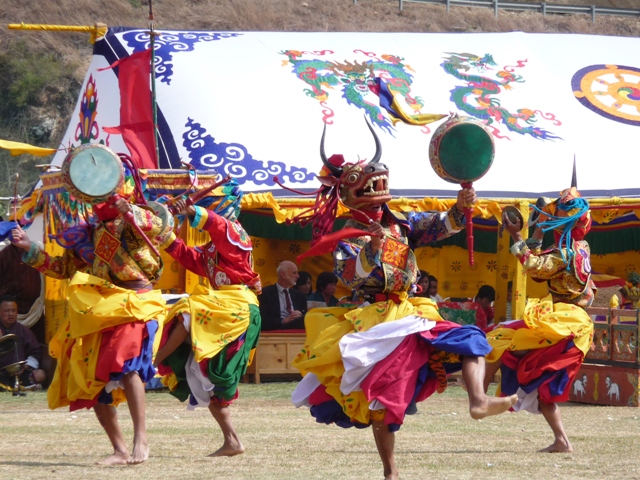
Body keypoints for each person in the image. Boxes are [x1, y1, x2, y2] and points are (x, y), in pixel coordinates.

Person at [289, 124, 516, 480]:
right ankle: (390, 471)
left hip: (411, 309)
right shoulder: (345, 237)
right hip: (373, 319)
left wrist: (460, 207)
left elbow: (442, 225)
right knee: (383, 402)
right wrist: (370, 250)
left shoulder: (403, 225)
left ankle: (478, 400)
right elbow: (349, 276)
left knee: (471, 339)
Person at [11, 194, 170, 465]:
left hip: (135, 303)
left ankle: (140, 438)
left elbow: (158, 226)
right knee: (87, 376)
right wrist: (29, 247)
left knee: (126, 362)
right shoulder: (88, 233)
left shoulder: (132, 219)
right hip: (101, 306)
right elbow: (63, 268)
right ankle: (119, 449)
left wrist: (129, 209)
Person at [484, 184, 595, 453]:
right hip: (574, 323)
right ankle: (562, 441)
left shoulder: (564, 254)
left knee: (500, 337)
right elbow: (540, 259)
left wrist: (514, 235)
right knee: (545, 390)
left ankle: (478, 395)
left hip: (561, 322)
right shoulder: (581, 247)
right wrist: (535, 229)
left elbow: (533, 266)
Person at [153, 184, 261, 458]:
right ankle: (232, 441)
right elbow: (188, 256)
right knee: (211, 382)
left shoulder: (236, 233)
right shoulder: (212, 249)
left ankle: (152, 363)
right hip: (222, 307)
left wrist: (191, 210)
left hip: (237, 306)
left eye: (211, 204)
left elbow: (219, 225)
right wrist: (165, 234)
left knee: (188, 310)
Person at [0, 295, 46, 389]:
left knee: (40, 374)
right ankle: (24, 387)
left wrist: (25, 367)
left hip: (20, 373)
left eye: (13, 310)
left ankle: (18, 386)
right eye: (7, 311)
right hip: (1, 373)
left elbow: (35, 353)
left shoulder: (24, 331)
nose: (11, 314)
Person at [259, 260, 308, 331]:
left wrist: (300, 315)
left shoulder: (300, 296)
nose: (298, 276)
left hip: (297, 331)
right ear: (283, 275)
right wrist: (285, 320)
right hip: (275, 332)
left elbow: (305, 319)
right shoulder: (265, 293)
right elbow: (262, 321)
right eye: (294, 273)